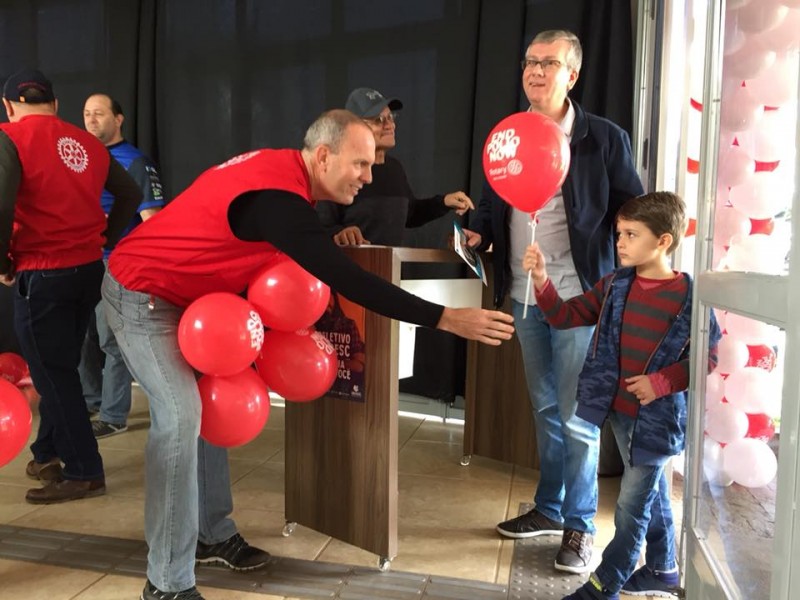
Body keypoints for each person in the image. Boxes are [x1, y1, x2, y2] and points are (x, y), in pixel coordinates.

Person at [101, 108, 514, 600]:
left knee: (209, 408)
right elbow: (347, 279)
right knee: (180, 416)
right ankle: (166, 584)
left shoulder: (288, 179)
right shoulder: (279, 199)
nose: (367, 176)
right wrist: (445, 317)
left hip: (193, 302)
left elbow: (298, 244)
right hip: (141, 292)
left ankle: (212, 533)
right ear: (323, 155)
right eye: (359, 164)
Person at [464, 29, 645, 572]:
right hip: (525, 297)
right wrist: (478, 230)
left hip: (581, 297)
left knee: (576, 416)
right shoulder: (509, 136)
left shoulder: (603, 139)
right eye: (529, 62)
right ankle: (549, 506)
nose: (536, 71)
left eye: (549, 63)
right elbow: (500, 205)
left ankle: (580, 526)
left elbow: (633, 209)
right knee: (544, 409)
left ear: (573, 74)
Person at [522, 192, 721, 600]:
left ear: (663, 241)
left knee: (631, 508)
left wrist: (661, 382)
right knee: (652, 491)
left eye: (631, 234)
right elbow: (565, 316)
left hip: (658, 420)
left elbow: (708, 357)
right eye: (619, 234)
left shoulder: (690, 298)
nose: (621, 243)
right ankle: (664, 570)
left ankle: (603, 584)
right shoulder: (614, 285)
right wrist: (542, 282)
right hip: (618, 414)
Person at [0, 68, 142, 503]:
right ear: (57, 106)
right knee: (60, 366)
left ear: (8, 107)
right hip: (87, 270)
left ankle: (84, 470)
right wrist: (104, 237)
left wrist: (2, 261)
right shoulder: (85, 141)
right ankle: (47, 453)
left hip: (42, 272)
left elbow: (1, 203)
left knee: (53, 375)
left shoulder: (10, 137)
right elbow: (131, 195)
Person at [78, 93, 165, 439]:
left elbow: (153, 222)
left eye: (99, 113)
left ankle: (114, 414)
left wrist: (140, 268)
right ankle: (90, 399)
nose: (91, 120)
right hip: (79, 261)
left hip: (114, 263)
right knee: (80, 336)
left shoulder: (135, 162)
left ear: (119, 119)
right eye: (86, 114)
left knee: (111, 340)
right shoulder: (80, 158)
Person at [316, 87, 474, 246]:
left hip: (388, 269)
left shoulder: (394, 168)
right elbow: (319, 227)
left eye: (390, 117)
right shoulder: (339, 170)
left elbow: (410, 214)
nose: (390, 125)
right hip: (347, 268)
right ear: (353, 128)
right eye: (379, 119)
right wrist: (340, 233)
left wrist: (444, 202)